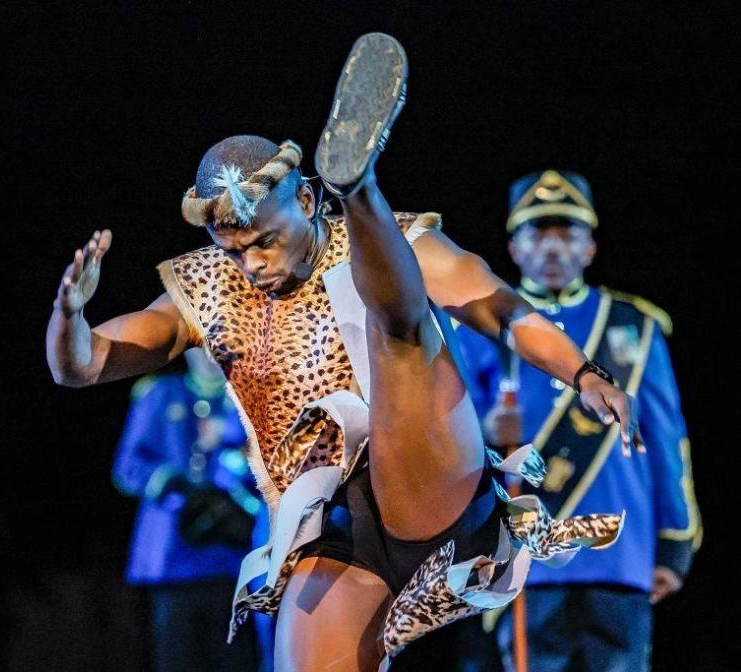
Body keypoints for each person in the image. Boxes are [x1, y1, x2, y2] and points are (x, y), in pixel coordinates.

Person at [47, 33, 636, 671]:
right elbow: (82, 366)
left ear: (304, 198)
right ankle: (359, 192)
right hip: (338, 531)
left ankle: (360, 186)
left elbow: (500, 307)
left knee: (395, 325)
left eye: (266, 241)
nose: (252, 264)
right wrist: (68, 315)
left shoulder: (406, 243)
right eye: (235, 250)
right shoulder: (207, 287)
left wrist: (582, 371)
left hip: (429, 474)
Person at [455, 170, 701, 671]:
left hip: (621, 554)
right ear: (514, 248)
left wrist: (674, 541)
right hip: (527, 556)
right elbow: (444, 432)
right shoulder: (481, 329)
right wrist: (483, 431)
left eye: (567, 234)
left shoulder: (633, 326)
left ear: (590, 248)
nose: (552, 248)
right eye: (537, 234)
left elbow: (666, 437)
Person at [112, 348, 262, 672]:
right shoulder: (159, 393)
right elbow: (126, 467)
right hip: (172, 557)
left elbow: (275, 471)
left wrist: (231, 441)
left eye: (216, 344)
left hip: (232, 559)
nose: (209, 354)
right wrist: (171, 483)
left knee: (234, 661)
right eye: (200, 345)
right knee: (176, 659)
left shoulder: (248, 401)